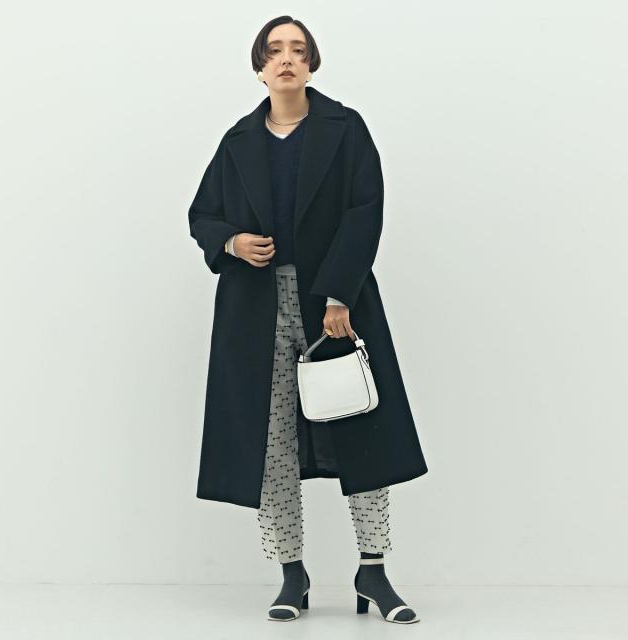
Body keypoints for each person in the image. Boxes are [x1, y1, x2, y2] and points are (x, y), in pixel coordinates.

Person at [187, 15, 428, 624]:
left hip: (334, 304)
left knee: (362, 431)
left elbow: (365, 211)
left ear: (312, 63)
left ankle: (373, 571)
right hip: (255, 308)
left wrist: (340, 295)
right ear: (260, 68)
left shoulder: (346, 129)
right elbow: (202, 215)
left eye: (298, 49)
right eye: (274, 51)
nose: (286, 59)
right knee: (271, 444)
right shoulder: (238, 141)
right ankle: (291, 575)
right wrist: (232, 242)